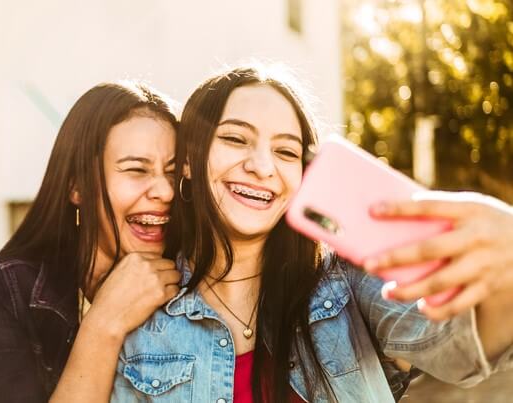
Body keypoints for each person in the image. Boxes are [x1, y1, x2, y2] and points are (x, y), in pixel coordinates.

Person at [110, 64, 513, 402]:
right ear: (188, 163)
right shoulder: (143, 314)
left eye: (285, 151)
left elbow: (462, 350)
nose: (262, 167)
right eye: (235, 139)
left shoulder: (346, 283)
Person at [0, 81, 181, 403]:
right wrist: (104, 324)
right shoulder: (2, 289)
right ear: (77, 186)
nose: (166, 191)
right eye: (136, 170)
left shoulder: (196, 283)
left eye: (173, 173)